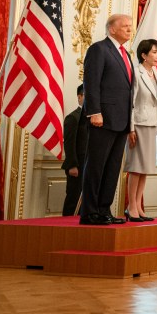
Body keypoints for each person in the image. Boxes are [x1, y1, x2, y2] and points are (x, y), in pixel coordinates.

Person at [79, 14, 135, 226]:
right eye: (125, 26)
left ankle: (104, 210)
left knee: (112, 169)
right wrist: (94, 111)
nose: (130, 30)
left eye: (130, 26)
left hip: (121, 120)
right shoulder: (99, 49)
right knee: (96, 166)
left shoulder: (125, 54)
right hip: (102, 118)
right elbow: (91, 83)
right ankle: (90, 212)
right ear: (112, 29)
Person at [125, 38, 157, 222]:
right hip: (138, 124)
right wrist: (130, 128)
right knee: (136, 167)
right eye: (153, 52)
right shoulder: (136, 72)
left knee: (145, 168)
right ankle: (131, 206)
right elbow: (131, 102)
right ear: (143, 55)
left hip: (151, 123)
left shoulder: (156, 74)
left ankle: (138, 206)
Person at [61, 85, 87, 216]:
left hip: (88, 166)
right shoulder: (73, 117)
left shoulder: (93, 118)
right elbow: (69, 144)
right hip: (77, 166)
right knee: (73, 199)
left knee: (85, 202)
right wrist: (72, 165)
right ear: (80, 97)